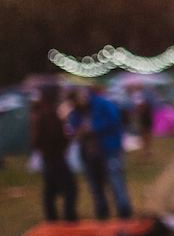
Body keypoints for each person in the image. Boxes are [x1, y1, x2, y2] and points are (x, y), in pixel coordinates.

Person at [68, 85, 132, 220]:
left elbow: (114, 120)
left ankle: (124, 212)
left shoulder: (102, 103)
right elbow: (73, 126)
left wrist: (94, 127)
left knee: (115, 181)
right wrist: (77, 130)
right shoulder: (76, 111)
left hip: (109, 149)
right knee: (95, 185)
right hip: (88, 152)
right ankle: (102, 213)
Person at [29, 85, 77, 222]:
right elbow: (54, 136)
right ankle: (68, 217)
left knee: (50, 190)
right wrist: (65, 139)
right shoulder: (48, 114)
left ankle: (52, 219)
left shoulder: (40, 113)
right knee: (69, 188)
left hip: (49, 156)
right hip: (54, 156)